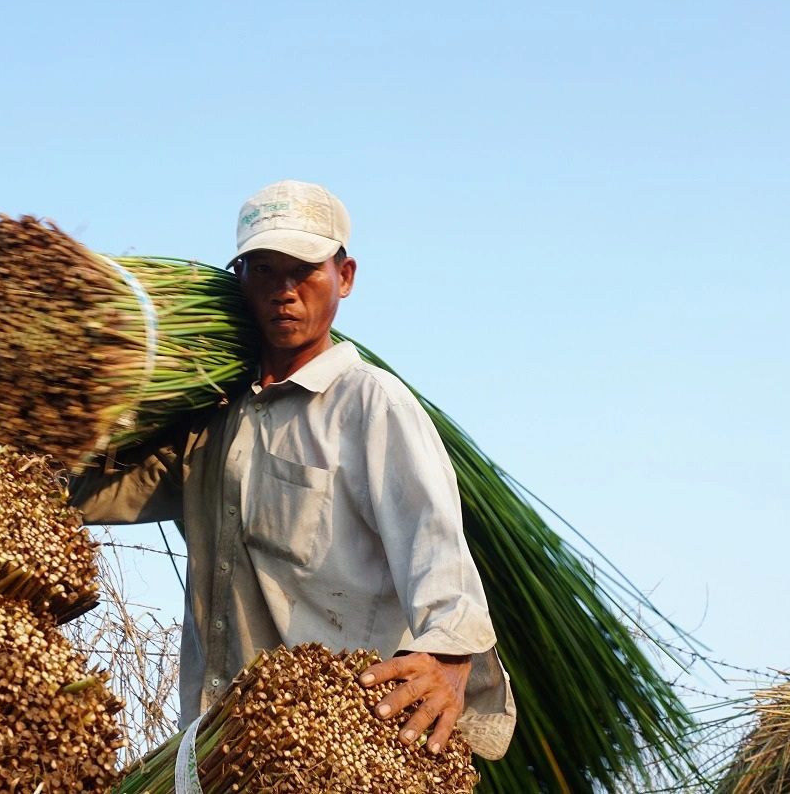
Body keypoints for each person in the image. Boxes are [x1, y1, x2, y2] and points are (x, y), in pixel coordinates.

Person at [72, 180, 515, 760]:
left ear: (345, 276)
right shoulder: (214, 418)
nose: (284, 291)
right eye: (263, 270)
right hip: (214, 751)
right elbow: (93, 496)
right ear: (240, 281)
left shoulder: (371, 406)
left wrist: (451, 656)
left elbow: (436, 550)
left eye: (303, 270)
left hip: (330, 744)